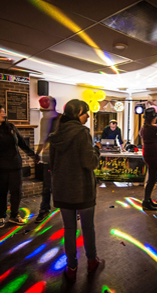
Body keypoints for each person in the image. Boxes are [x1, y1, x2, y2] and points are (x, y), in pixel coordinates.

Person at [49, 99, 104, 282]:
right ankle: (91, 261)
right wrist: (97, 151)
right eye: (85, 112)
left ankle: (71, 267)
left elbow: (53, 164)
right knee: (88, 228)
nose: (88, 116)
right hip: (82, 190)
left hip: (63, 189)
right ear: (77, 112)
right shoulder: (82, 133)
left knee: (69, 229)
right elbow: (90, 163)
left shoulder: (56, 133)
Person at [0, 104, 39, 228]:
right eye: (1, 111)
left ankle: (14, 215)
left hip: (15, 165)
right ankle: (2, 216)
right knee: (2, 193)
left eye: (4, 111)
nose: (4, 114)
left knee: (16, 192)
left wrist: (33, 155)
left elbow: (22, 143)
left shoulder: (10, 127)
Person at [35, 96, 60, 223]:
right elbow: (42, 138)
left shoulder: (61, 119)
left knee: (62, 184)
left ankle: (71, 209)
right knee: (46, 186)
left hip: (60, 159)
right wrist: (38, 153)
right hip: (47, 158)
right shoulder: (43, 119)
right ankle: (44, 209)